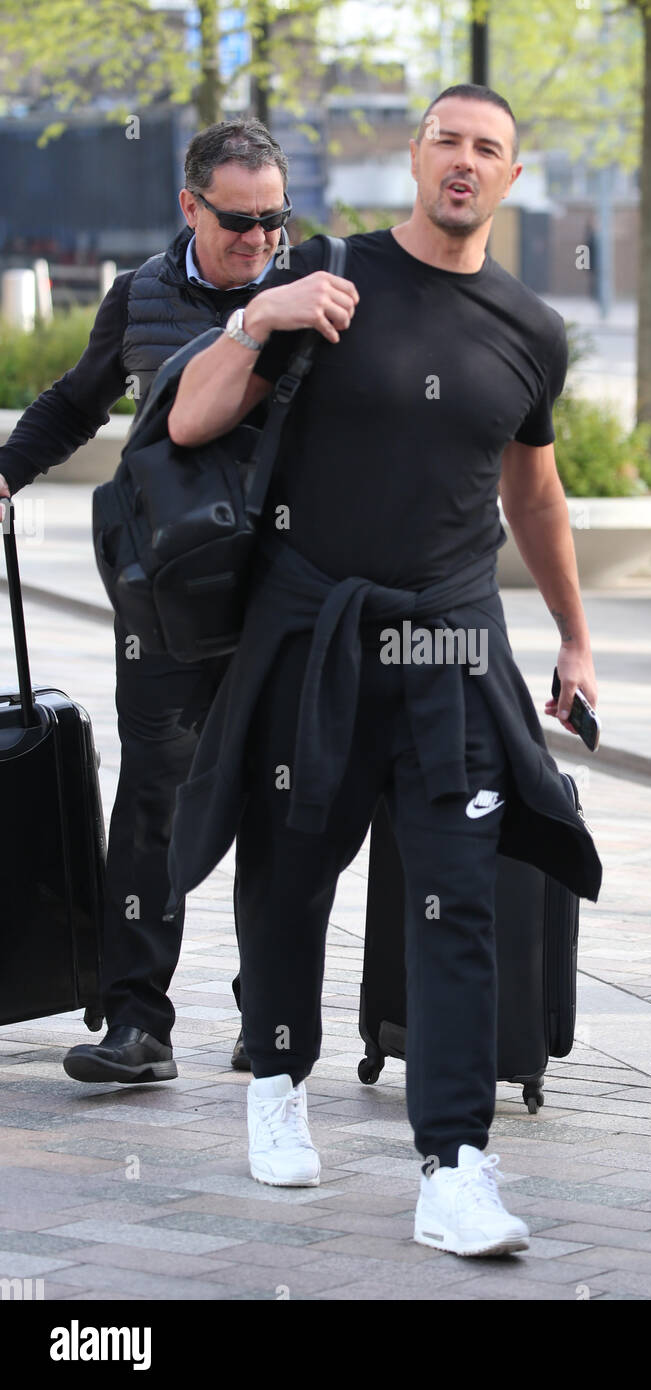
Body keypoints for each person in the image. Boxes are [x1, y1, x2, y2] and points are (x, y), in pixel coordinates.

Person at [166, 84, 603, 1257]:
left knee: (458, 894)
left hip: (452, 641)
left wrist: (572, 634)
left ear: (512, 178)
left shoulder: (529, 329)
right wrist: (260, 318)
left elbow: (534, 492)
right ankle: (275, 1071)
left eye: (489, 150)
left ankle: (454, 1163)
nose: (464, 162)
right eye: (447, 141)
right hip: (316, 632)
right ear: (414, 158)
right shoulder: (325, 274)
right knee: (292, 873)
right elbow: (191, 424)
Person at [0, 120, 293, 1083]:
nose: (257, 242)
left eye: (272, 221)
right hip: (166, 603)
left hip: (289, 598)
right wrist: (6, 473)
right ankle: (138, 1024)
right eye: (237, 221)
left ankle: (272, 1019)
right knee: (153, 809)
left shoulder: (318, 294)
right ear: (189, 205)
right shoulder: (139, 296)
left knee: (280, 808)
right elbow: (77, 401)